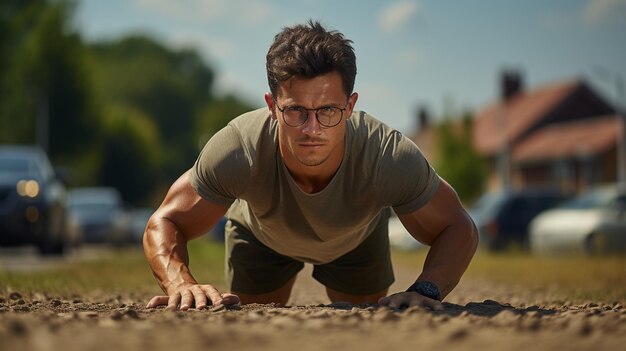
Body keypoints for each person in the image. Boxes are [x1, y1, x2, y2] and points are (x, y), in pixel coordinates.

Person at [143, 20, 478, 312]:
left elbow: (458, 227)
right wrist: (179, 283)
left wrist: (427, 291)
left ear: (350, 106)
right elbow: (166, 219)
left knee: (366, 326)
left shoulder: (387, 156)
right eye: (296, 111)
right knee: (254, 327)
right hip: (261, 237)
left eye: (328, 110)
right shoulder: (238, 149)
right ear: (272, 106)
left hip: (356, 238)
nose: (311, 129)